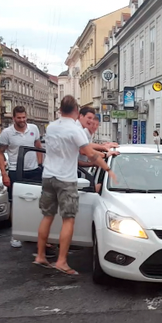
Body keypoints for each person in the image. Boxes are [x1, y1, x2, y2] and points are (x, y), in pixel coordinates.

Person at [34, 95, 117, 274]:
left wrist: (101, 149)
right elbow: (89, 153)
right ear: (76, 111)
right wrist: (108, 168)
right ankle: (61, 261)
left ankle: (40, 255)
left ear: (60, 109)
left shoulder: (52, 126)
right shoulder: (74, 129)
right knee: (68, 219)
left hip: (47, 176)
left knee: (47, 216)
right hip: (65, 179)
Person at [0, 106, 47, 253]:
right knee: (16, 203)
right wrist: (4, 174)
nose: (22, 120)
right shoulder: (7, 133)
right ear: (14, 118)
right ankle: (16, 235)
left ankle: (34, 232)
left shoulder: (34, 129)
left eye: (23, 117)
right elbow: (0, 153)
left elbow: (38, 147)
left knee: (38, 201)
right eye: (19, 118)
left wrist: (39, 165)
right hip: (15, 171)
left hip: (33, 171)